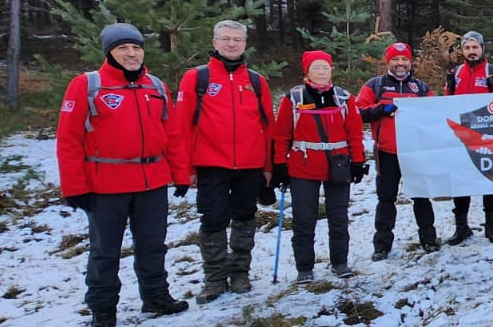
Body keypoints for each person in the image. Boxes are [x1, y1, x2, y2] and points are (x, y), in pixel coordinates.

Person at [56, 23, 190, 327]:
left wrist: (180, 174)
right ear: (109, 53)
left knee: (153, 245)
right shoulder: (87, 85)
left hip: (151, 181)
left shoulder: (154, 86)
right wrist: (75, 187)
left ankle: (156, 296)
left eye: (136, 48)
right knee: (105, 250)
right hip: (106, 184)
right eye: (123, 49)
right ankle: (103, 308)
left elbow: (172, 134)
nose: (131, 54)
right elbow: (68, 139)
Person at [175, 20, 274, 304]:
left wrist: (268, 166)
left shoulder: (256, 81)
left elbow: (269, 127)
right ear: (215, 42)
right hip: (211, 164)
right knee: (213, 219)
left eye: (237, 40)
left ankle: (240, 272)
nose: (232, 44)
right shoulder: (197, 78)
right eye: (226, 39)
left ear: (245, 44)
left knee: (244, 216)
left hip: (249, 164)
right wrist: (186, 169)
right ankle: (215, 278)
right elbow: (182, 126)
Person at [271, 51, 367, 281]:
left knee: (339, 217)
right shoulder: (293, 99)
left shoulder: (344, 98)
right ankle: (304, 268)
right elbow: (281, 135)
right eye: (316, 67)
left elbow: (354, 132)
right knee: (304, 219)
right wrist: (279, 165)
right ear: (307, 71)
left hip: (338, 164)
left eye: (325, 67)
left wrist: (358, 161)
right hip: (303, 165)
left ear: (332, 70)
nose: (321, 72)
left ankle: (340, 262)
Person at [356, 41, 440, 256]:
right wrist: (381, 109)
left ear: (410, 62)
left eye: (404, 59)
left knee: (421, 197)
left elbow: (435, 115)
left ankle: (429, 240)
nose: (400, 63)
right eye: (395, 59)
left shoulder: (420, 87)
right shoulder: (375, 85)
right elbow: (358, 112)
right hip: (386, 153)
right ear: (388, 61)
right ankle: (382, 246)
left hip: (414, 152)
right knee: (386, 199)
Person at [445, 30, 493, 243]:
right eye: (468, 48)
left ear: (482, 49)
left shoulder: (492, 72)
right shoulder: (455, 74)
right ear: (463, 50)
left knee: (491, 179)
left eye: (475, 47)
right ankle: (462, 227)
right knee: (461, 181)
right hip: (461, 138)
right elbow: (446, 104)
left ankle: (491, 227)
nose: (472, 52)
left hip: (487, 137)